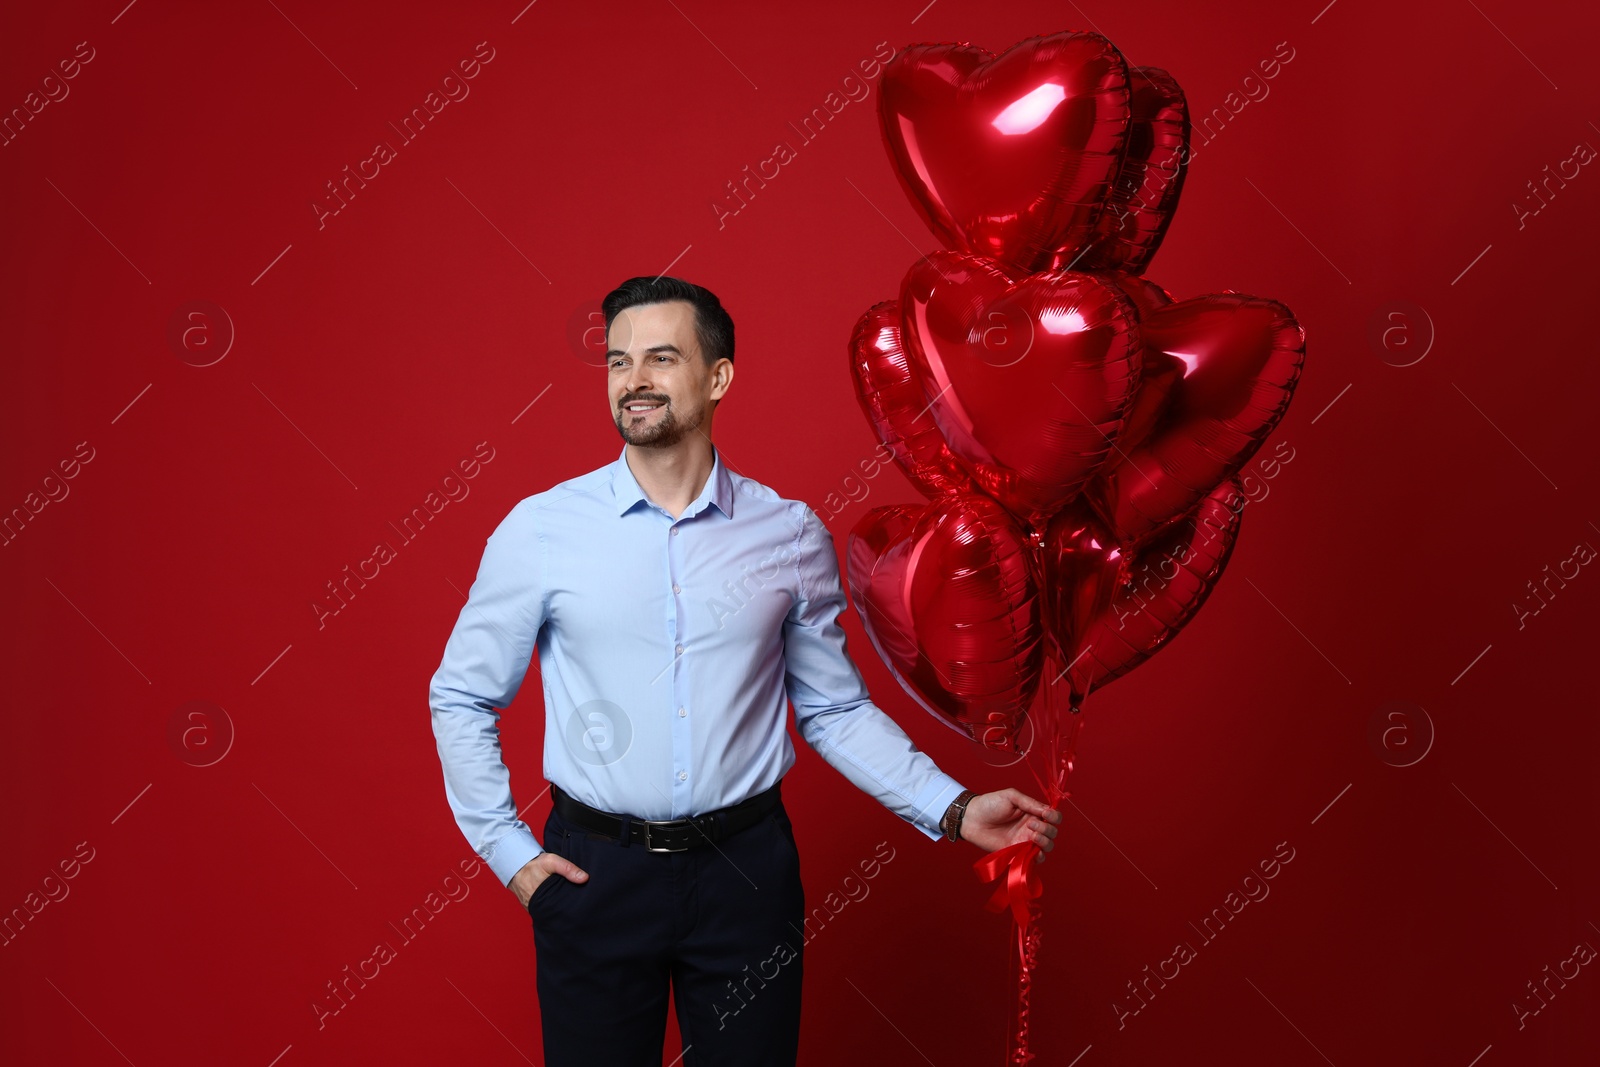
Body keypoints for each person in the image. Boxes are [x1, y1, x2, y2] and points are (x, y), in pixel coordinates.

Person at [428, 274, 1061, 1066]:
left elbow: (832, 710)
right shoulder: (544, 529)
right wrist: (512, 856)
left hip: (747, 878)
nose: (635, 380)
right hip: (594, 877)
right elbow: (461, 693)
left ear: (718, 376)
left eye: (661, 357)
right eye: (620, 361)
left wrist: (952, 805)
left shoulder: (789, 533)